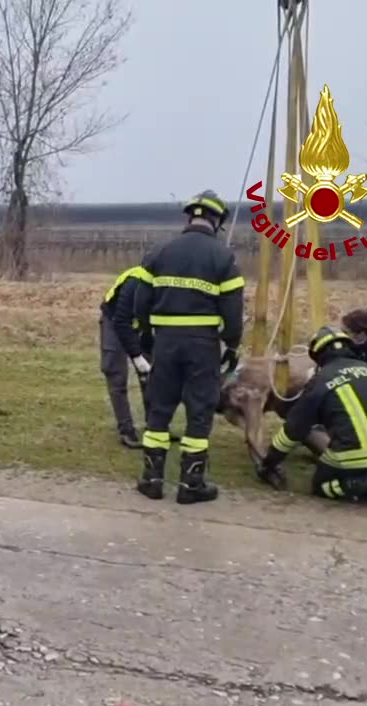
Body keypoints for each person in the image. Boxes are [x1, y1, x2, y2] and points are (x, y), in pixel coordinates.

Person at [131, 190, 245, 504]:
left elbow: (140, 301)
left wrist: (146, 337)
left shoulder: (159, 251)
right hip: (202, 346)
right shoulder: (223, 257)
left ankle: (152, 480)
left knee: (159, 409)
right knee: (199, 412)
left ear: (191, 216)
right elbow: (233, 313)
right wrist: (232, 346)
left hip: (165, 343)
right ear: (217, 220)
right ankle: (191, 484)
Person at [256, 327, 367, 516]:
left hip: (354, 454)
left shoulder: (319, 382)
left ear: (318, 356)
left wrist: (269, 462)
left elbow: (294, 429)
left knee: (321, 485)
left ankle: (363, 484)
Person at [101, 265, 154, 448]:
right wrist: (137, 356)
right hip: (114, 321)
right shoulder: (135, 283)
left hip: (143, 324)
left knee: (151, 374)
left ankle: (155, 427)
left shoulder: (170, 283)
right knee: (116, 372)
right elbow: (121, 322)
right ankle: (126, 430)